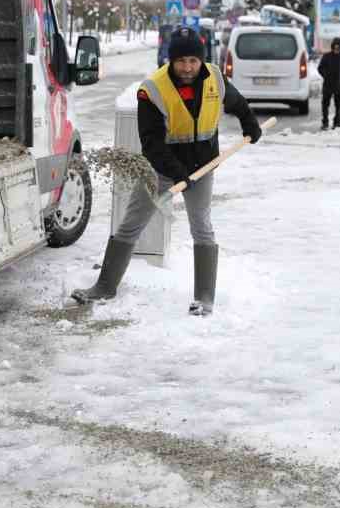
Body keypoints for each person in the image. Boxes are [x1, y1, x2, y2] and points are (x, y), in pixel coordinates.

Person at [72, 26, 262, 317]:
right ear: (170, 61)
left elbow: (237, 103)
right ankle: (105, 286)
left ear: (201, 61)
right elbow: (151, 143)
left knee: (202, 226)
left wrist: (250, 124)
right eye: (181, 61)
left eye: (193, 61)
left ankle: (204, 297)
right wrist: (176, 173)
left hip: (203, 167)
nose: (188, 67)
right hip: (160, 168)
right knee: (131, 224)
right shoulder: (153, 89)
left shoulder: (215, 78)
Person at [318, 38, 340, 130]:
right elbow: (320, 68)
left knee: (339, 105)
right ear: (332, 47)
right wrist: (326, 75)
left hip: (339, 85)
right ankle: (325, 122)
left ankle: (336, 122)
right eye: (335, 47)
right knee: (325, 104)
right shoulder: (327, 56)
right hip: (328, 84)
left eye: (338, 48)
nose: (336, 49)